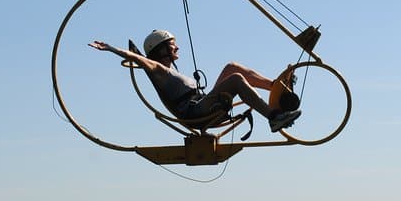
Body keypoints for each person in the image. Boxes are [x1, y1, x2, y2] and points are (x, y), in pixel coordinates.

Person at [89, 29, 301, 132]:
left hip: (202, 103)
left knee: (232, 67)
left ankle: (275, 87)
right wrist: (111, 48)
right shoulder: (159, 70)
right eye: (173, 45)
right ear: (161, 50)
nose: (177, 48)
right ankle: (273, 117)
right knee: (236, 78)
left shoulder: (169, 72)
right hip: (197, 113)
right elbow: (138, 59)